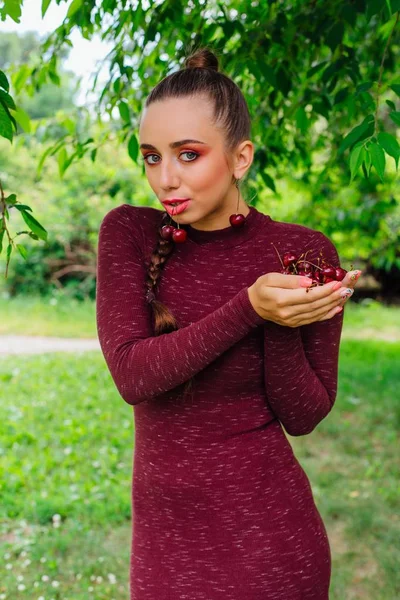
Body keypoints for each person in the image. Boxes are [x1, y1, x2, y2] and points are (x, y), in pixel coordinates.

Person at [96, 47, 361, 600]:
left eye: (188, 155)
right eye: (150, 157)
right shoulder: (129, 233)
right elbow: (132, 375)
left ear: (241, 157)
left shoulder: (302, 249)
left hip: (272, 548)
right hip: (166, 550)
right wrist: (249, 307)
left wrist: (280, 320)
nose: (165, 178)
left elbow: (305, 415)